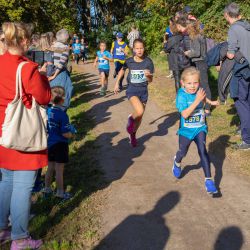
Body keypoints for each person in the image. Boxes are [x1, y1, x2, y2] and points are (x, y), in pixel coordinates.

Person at [0, 22, 51, 249]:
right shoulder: (28, 68)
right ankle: (19, 238)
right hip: (24, 136)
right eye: (28, 39)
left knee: (6, 183)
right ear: (22, 41)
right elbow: (44, 97)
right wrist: (42, 76)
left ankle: (2, 228)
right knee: (23, 186)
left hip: (3, 133)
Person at [172, 67, 219, 194]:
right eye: (189, 83)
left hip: (200, 127)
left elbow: (203, 98)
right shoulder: (181, 95)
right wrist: (197, 100)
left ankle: (209, 180)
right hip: (186, 130)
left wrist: (211, 102)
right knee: (183, 151)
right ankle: (177, 161)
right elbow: (185, 115)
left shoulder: (199, 90)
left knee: (203, 151)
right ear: (183, 83)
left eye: (195, 83)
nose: (193, 86)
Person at [114, 38, 154, 147]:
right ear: (133, 49)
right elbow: (123, 70)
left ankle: (132, 134)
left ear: (144, 48)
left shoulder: (148, 62)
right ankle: (131, 118)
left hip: (143, 91)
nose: (139, 50)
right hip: (132, 90)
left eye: (141, 48)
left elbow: (150, 81)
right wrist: (117, 83)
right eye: (137, 48)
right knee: (139, 111)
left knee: (140, 117)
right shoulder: (129, 61)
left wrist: (149, 76)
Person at [224, 2, 250, 150]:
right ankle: (245, 129)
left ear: (227, 15)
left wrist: (224, 53)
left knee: (241, 102)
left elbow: (231, 53)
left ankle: (247, 139)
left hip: (241, 70)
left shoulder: (234, 29)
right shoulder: (247, 26)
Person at [43, 87, 76, 200]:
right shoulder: (63, 115)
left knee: (50, 168)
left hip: (50, 143)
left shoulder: (47, 111)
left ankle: (46, 189)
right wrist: (72, 134)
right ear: (62, 100)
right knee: (59, 170)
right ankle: (60, 192)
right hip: (60, 144)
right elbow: (65, 134)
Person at [184, 19, 212, 116]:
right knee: (201, 85)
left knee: (204, 85)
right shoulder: (200, 36)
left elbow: (196, 52)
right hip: (202, 62)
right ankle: (203, 105)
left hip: (200, 62)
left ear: (191, 28)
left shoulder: (195, 37)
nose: (186, 30)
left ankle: (207, 109)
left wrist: (188, 53)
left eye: (187, 28)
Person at [49, 28, 73, 110]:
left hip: (50, 72)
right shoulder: (65, 48)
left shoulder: (52, 47)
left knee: (53, 95)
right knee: (64, 92)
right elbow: (61, 63)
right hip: (60, 73)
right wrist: (55, 74)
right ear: (66, 38)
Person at [164, 19, 183, 92]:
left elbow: (166, 49)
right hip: (184, 61)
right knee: (184, 78)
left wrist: (165, 42)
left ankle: (179, 96)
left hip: (175, 62)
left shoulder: (171, 39)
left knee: (177, 79)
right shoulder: (182, 36)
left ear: (172, 31)